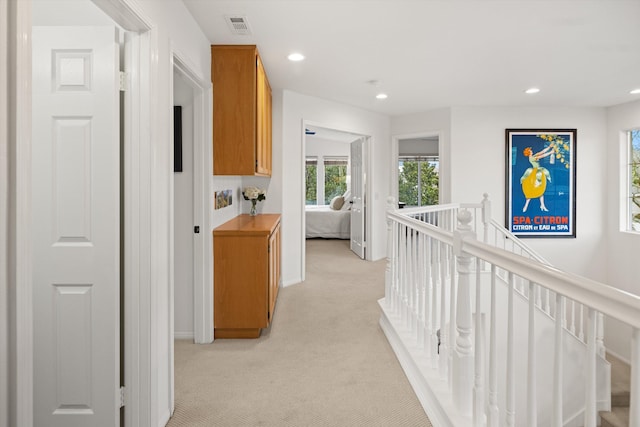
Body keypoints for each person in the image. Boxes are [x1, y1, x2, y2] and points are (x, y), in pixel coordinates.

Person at [520, 144, 555, 212]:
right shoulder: (532, 158)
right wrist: (550, 152)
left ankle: (542, 205)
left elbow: (542, 152)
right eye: (530, 150)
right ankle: (525, 206)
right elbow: (542, 156)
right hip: (535, 173)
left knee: (540, 189)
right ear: (528, 152)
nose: (531, 151)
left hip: (538, 171)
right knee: (531, 190)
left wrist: (549, 147)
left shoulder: (534, 156)